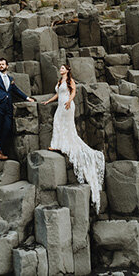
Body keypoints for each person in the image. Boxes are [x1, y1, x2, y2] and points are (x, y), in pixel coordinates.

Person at [43, 63, 105, 210]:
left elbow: (73, 92)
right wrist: (48, 101)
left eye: (63, 68)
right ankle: (57, 144)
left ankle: (64, 144)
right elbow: (58, 94)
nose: (61, 70)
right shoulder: (59, 82)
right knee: (57, 123)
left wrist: (70, 101)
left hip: (67, 105)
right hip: (60, 105)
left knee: (66, 126)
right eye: (60, 68)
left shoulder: (70, 80)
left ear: (68, 70)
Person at [0, 57, 35, 161]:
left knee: (7, 128)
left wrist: (27, 98)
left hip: (8, 107)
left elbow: (16, 90)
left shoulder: (10, 79)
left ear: (7, 66)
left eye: (3, 64)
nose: (1, 66)